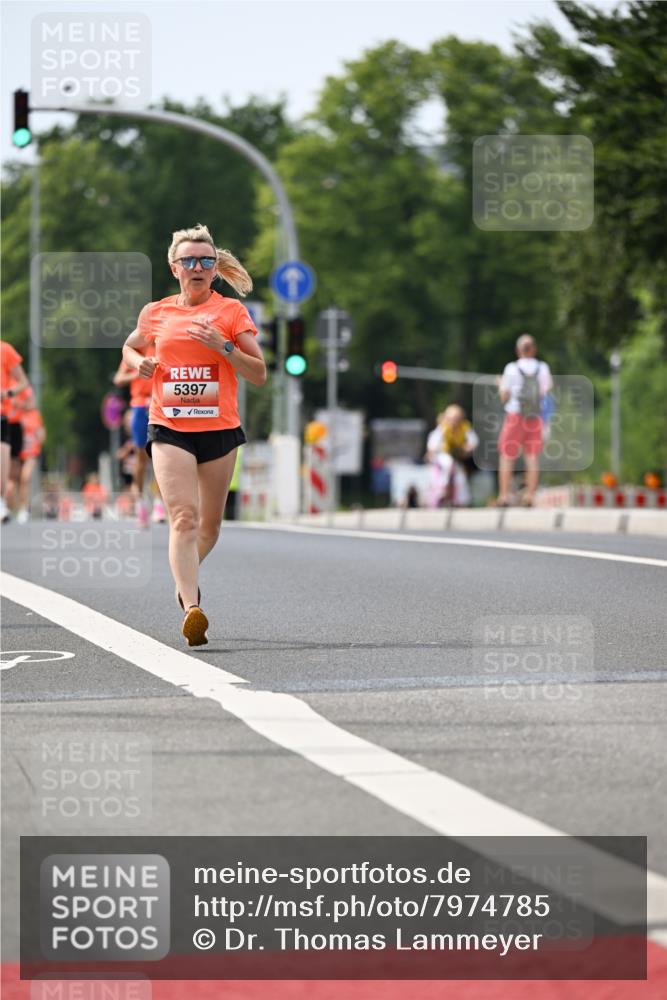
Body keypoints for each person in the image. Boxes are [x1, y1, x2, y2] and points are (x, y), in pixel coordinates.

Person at [122, 223, 266, 646]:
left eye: (206, 260)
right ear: (175, 268)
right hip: (169, 426)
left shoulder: (231, 313)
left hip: (219, 429)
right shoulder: (156, 312)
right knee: (183, 518)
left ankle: (183, 579)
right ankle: (192, 607)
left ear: (215, 268)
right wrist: (138, 364)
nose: (198, 267)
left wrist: (223, 347)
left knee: (209, 528)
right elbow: (129, 346)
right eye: (189, 260)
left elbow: (258, 373)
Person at [496, 333, 553, 507]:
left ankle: (504, 495)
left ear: (517, 350)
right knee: (532, 456)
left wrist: (499, 385)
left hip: (515, 414)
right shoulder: (543, 368)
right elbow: (545, 391)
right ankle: (529, 495)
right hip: (534, 415)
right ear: (534, 349)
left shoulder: (511, 368)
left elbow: (504, 396)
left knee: (507, 455)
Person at [112, 344, 166, 523]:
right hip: (140, 406)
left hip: (162, 404)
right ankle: (141, 503)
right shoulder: (136, 349)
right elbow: (118, 379)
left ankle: (159, 505)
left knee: (160, 458)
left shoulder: (165, 343)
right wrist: (138, 370)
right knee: (141, 459)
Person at [426, 405, 478, 507]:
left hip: (456, 459)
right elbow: (432, 444)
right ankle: (443, 491)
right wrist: (431, 452)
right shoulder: (442, 429)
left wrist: (468, 447)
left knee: (460, 478)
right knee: (448, 463)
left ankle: (461, 501)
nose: (454, 422)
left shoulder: (464, 428)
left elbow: (473, 441)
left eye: (457, 419)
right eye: (451, 419)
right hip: (441, 457)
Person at [1, 339, 30, 522]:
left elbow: (23, 382)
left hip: (2, 415)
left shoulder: (5, 350)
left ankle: (2, 502)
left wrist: (6, 393)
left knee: (5, 466)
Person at [15, 388, 46, 524]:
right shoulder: (16, 414)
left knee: (25, 478)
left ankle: (24, 509)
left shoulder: (35, 414)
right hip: (16, 452)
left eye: (29, 399)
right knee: (14, 481)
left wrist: (39, 436)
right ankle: (15, 507)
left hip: (31, 452)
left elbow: (41, 433)